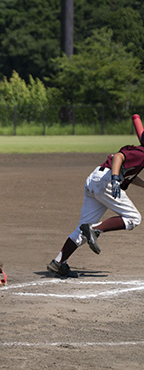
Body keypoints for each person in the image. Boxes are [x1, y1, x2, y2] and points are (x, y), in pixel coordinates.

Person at [47, 114, 144, 278]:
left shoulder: (140, 153)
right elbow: (118, 157)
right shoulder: (142, 153)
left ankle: (58, 262)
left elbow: (129, 176)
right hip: (106, 181)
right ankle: (95, 229)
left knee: (83, 228)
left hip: (95, 180)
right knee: (134, 218)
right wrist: (114, 179)